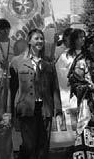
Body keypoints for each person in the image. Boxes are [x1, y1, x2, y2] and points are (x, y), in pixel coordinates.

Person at [10, 28, 62, 159]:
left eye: (41, 38)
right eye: (36, 38)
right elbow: (13, 89)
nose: (40, 41)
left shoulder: (48, 63)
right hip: (26, 109)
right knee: (29, 146)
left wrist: (59, 110)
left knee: (43, 146)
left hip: (45, 109)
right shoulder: (17, 62)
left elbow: (54, 87)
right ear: (29, 41)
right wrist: (11, 113)